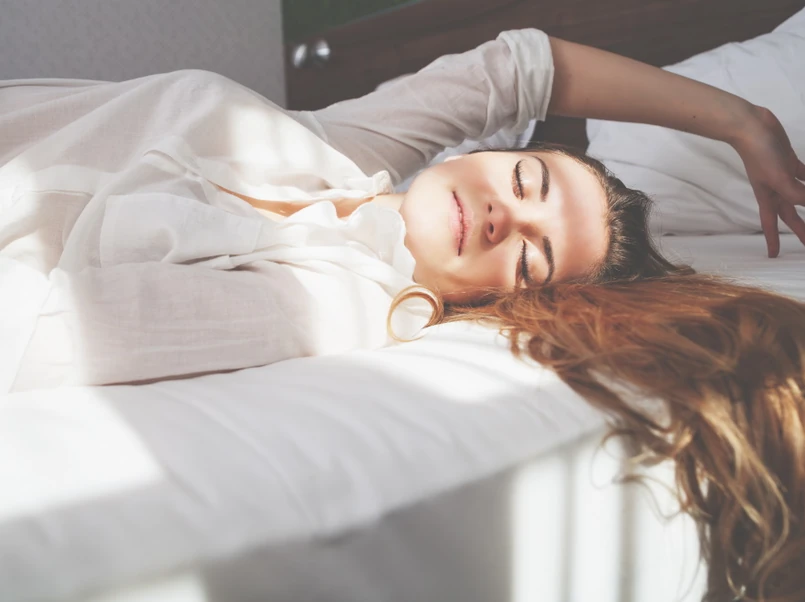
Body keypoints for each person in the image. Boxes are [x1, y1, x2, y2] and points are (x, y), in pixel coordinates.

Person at [1, 27, 803, 600]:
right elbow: (521, 66)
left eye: (530, 257)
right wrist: (743, 121)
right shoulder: (347, 148)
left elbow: (47, 330)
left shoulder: (329, 299)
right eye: (524, 181)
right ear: (489, 151)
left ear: (498, 300)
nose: (504, 215)